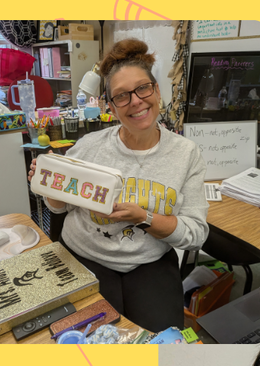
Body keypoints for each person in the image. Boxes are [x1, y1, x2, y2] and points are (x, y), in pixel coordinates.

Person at [29, 38, 208, 332]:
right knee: (86, 341)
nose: (136, 101)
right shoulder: (89, 146)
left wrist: (143, 217)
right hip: (84, 256)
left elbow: (196, 235)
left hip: (149, 262)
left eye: (142, 88)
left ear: (156, 90)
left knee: (159, 344)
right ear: (111, 107)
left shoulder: (186, 154)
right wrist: (50, 183)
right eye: (122, 96)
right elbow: (59, 208)